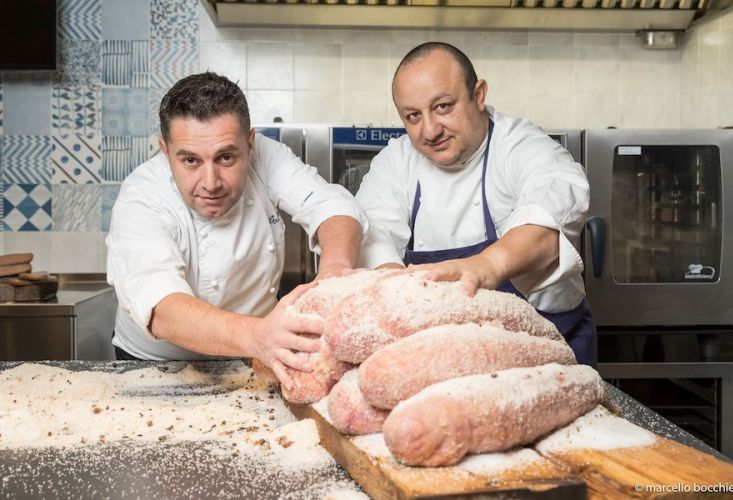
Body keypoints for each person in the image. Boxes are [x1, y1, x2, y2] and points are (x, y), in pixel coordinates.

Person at [106, 72, 368, 388]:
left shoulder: (268, 156)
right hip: (156, 365)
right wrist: (255, 336)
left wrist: (335, 269)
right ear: (165, 150)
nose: (211, 182)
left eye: (226, 157)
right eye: (190, 160)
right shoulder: (142, 197)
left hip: (254, 359)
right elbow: (161, 305)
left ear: (250, 143)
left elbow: (330, 205)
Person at [355, 42, 597, 366]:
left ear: (479, 94)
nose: (429, 130)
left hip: (548, 350)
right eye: (413, 116)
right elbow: (372, 233)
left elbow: (555, 201)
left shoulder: (519, 145)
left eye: (442, 106)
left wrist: (487, 266)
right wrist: (402, 293)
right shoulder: (395, 162)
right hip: (442, 355)